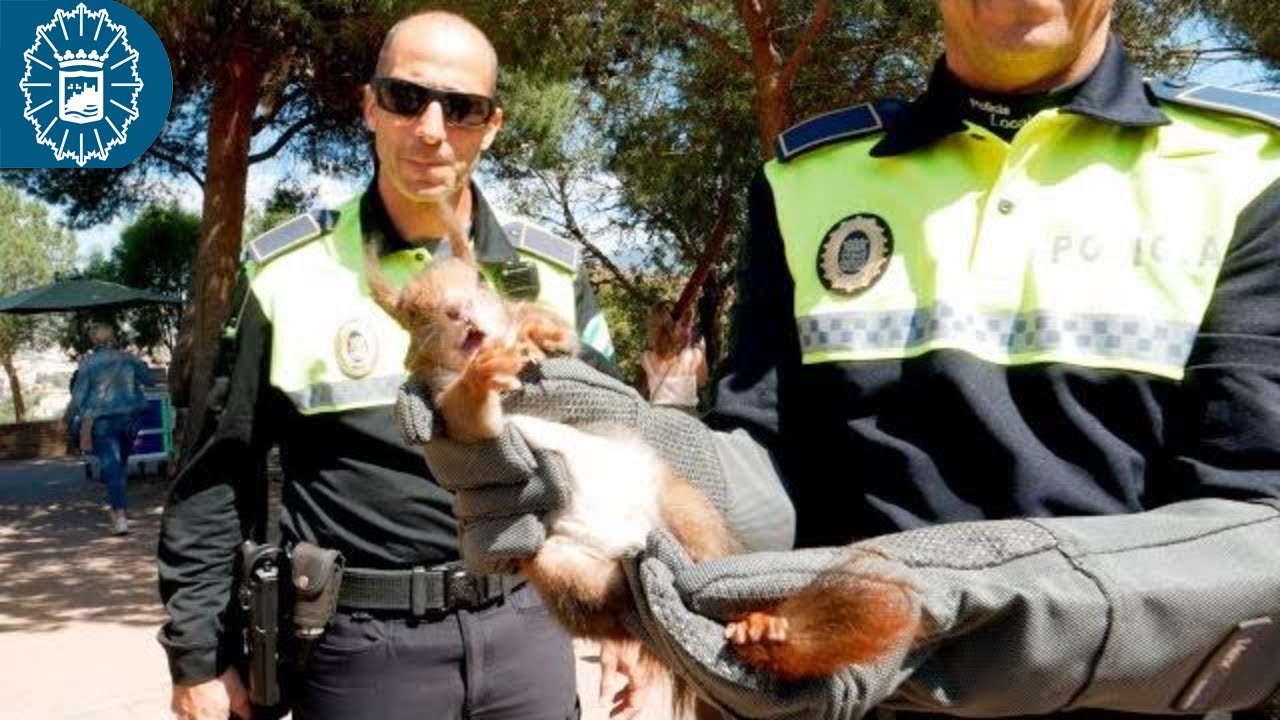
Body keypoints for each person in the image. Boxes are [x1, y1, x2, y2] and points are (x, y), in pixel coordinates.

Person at [415, 1, 1280, 718]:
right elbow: (769, 473)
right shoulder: (809, 180)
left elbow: (1252, 528)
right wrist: (627, 475)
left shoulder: (1245, 168)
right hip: (838, 697)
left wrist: (966, 606)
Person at [157, 11, 615, 720]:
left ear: (491, 126)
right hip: (362, 652)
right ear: (369, 105)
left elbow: (613, 455)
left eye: (461, 109)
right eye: (407, 98)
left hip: (530, 629)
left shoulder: (550, 271)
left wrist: (637, 617)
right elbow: (218, 471)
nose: (432, 128)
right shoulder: (287, 270)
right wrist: (198, 657)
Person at [68, 322, 152, 535]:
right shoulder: (127, 358)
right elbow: (149, 379)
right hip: (131, 420)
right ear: (113, 338)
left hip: (103, 422)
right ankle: (118, 508)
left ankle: (120, 516)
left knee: (112, 468)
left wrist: (76, 415)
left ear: (94, 340)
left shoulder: (88, 363)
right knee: (119, 465)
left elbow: (78, 397)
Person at [639, 301, 707, 409]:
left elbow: (639, 393)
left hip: (660, 417)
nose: (688, 331)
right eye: (683, 325)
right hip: (681, 421)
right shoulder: (694, 356)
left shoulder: (646, 357)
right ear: (669, 328)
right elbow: (702, 381)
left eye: (690, 325)